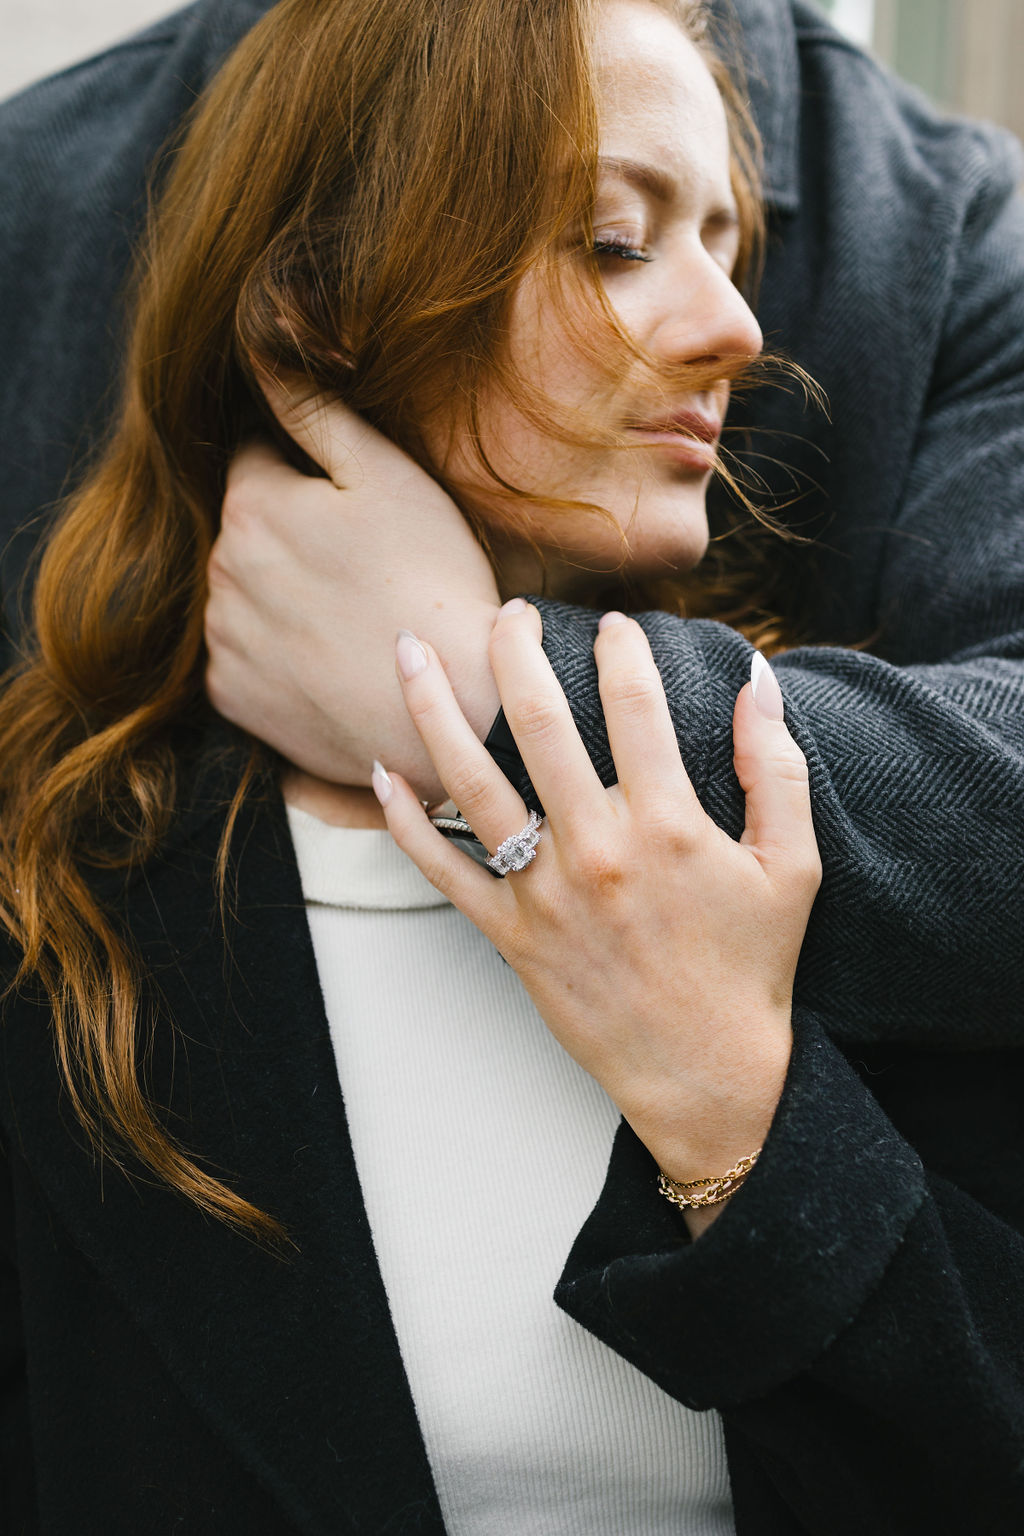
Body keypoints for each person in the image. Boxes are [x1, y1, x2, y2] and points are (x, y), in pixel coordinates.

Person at [0, 6, 1021, 1536]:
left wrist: (736, 1115)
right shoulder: (71, 925)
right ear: (321, 311)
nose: (740, 324)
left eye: (729, 242)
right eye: (615, 243)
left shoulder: (811, 872)